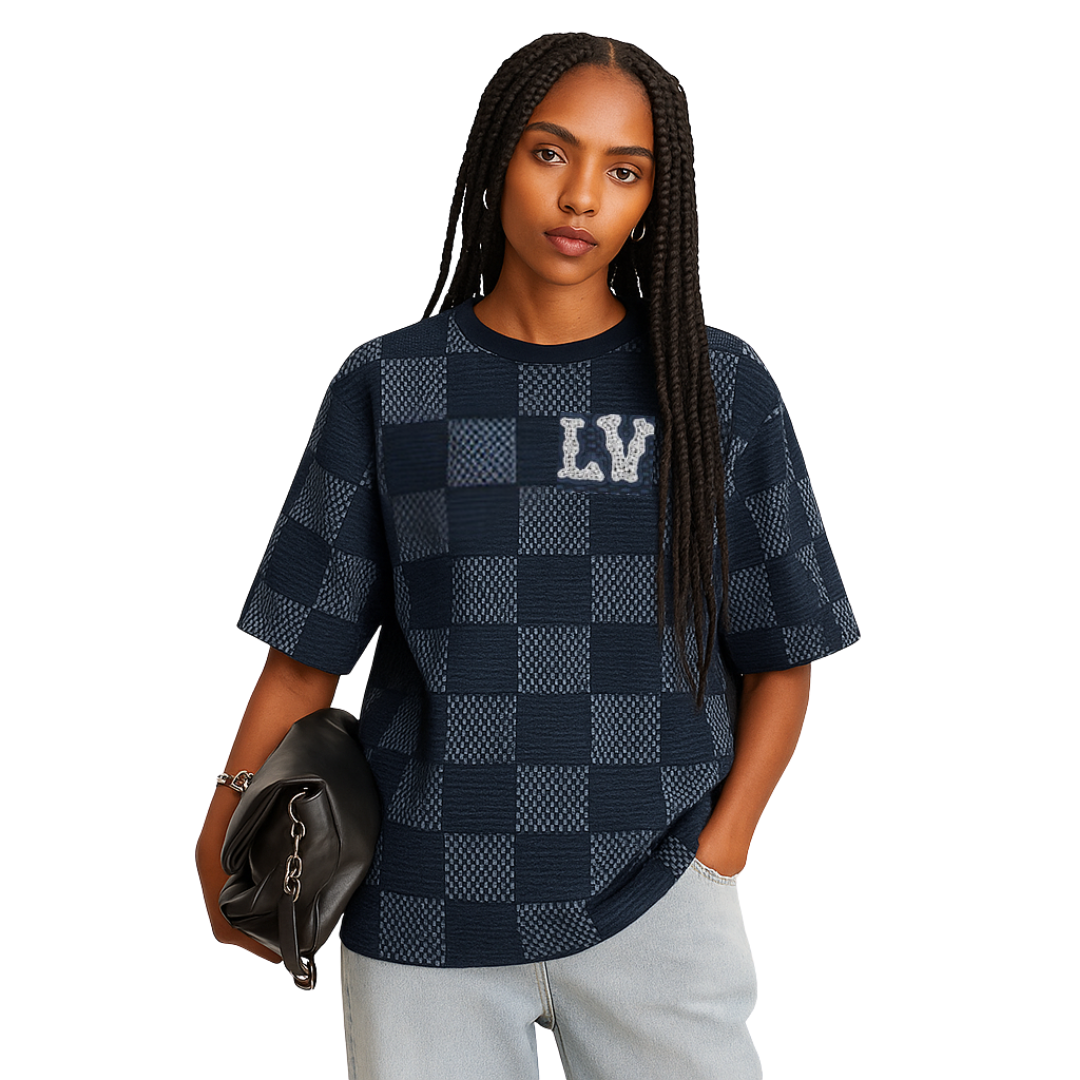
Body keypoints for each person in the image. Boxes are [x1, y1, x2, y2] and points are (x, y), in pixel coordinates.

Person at [196, 32, 859, 1080]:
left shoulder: (717, 387)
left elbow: (783, 656)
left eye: (625, 171)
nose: (582, 196)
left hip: (656, 901)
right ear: (496, 155)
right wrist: (226, 818)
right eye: (551, 153)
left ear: (656, 199)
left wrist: (719, 851)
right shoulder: (390, 387)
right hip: (423, 909)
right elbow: (304, 655)